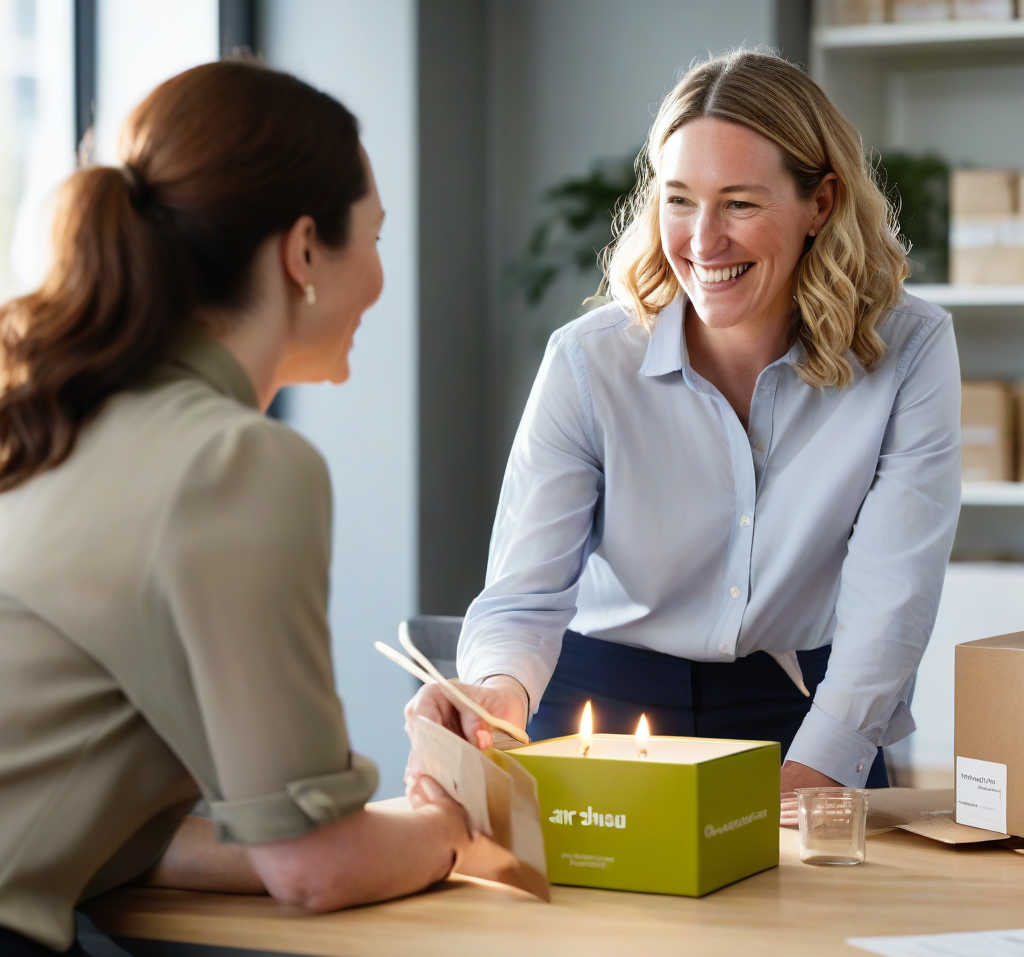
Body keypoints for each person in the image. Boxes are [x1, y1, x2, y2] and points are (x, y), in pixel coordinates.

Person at [0, 60, 469, 957]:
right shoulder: (234, 462)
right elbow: (317, 867)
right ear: (302, 252)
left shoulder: (53, 412)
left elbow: (136, 842)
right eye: (373, 238)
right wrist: (458, 828)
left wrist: (377, 835)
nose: (378, 279)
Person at [408, 50, 960, 801]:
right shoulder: (588, 362)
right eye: (678, 199)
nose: (704, 241)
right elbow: (523, 597)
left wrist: (821, 762)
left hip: (806, 714)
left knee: (808, 919)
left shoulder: (910, 350)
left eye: (739, 203)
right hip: (594, 710)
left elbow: (893, 591)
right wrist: (498, 693)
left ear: (820, 204)